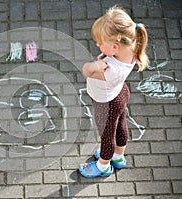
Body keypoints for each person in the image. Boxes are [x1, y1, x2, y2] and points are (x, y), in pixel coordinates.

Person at [79, 5, 149, 178]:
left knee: (107, 134)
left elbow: (86, 71)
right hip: (120, 94)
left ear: (115, 46)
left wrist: (94, 66)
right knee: (120, 125)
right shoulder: (132, 48)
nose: (97, 44)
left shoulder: (110, 69)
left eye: (101, 43)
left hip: (107, 102)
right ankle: (118, 157)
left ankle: (103, 166)